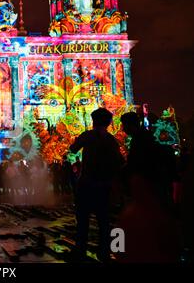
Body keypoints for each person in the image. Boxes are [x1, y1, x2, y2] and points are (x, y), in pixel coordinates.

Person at [116, 112, 180, 262]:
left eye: (124, 125)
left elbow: (117, 246)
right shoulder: (161, 213)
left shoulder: (130, 215)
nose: (123, 129)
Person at [69, 108, 124, 262]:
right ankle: (104, 251)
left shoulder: (88, 135)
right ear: (108, 123)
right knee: (103, 220)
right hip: (104, 184)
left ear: (93, 121)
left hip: (87, 183)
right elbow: (119, 161)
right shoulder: (111, 140)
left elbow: (73, 149)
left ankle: (80, 249)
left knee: (83, 219)